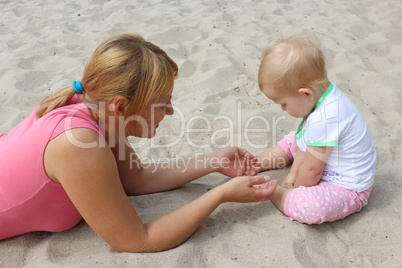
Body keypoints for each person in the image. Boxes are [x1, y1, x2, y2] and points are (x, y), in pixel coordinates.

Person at [0, 33, 278, 252]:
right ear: (121, 106)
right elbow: (136, 240)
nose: (170, 111)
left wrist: (213, 161)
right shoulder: (79, 143)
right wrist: (221, 195)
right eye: (162, 103)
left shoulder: (97, 109)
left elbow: (136, 179)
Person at [256, 34, 376, 224]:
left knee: (309, 207)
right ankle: (255, 163)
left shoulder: (326, 118)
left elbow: (312, 171)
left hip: (348, 187)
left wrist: (295, 190)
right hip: (324, 158)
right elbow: (304, 147)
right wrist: (293, 174)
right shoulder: (320, 97)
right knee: (293, 141)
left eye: (284, 104)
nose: (283, 109)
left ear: (305, 93)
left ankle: (274, 193)